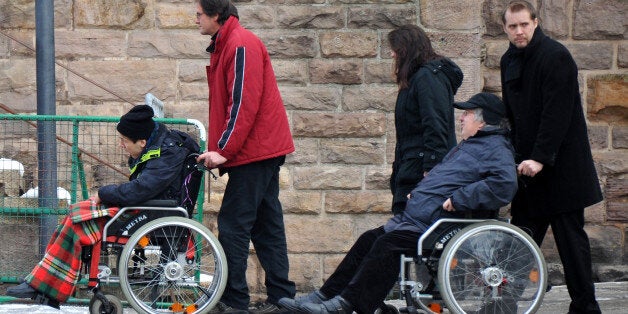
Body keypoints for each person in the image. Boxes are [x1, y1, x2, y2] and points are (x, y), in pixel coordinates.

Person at [278, 93, 518, 314]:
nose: (461, 118)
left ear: (483, 121)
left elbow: (504, 185)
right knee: (369, 239)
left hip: (442, 225)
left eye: (467, 113)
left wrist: (459, 199)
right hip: (422, 218)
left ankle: (345, 304)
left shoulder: (495, 148)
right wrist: (421, 193)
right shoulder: (472, 145)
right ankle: (324, 296)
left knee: (388, 245)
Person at [5, 105, 198, 308]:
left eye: (124, 140)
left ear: (142, 141)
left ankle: (46, 286)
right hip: (146, 206)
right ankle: (42, 283)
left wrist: (104, 193)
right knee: (76, 213)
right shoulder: (159, 145)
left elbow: (141, 189)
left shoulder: (168, 153)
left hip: (152, 212)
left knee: (78, 221)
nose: (121, 145)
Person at [500, 1, 603, 313]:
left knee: (571, 244)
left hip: (561, 171)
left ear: (535, 22)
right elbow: (514, 116)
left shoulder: (555, 56)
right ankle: (503, 305)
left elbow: (556, 114)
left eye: (524, 25)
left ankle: (586, 307)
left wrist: (540, 158)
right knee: (517, 242)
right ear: (505, 28)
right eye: (512, 26)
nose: (518, 31)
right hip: (529, 172)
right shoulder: (508, 60)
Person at [194, 1, 296, 313]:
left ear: (215, 15)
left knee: (234, 225)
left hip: (255, 151)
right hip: (259, 150)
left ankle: (233, 300)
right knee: (267, 226)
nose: (195, 19)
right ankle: (282, 299)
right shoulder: (231, 44)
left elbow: (242, 104)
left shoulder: (239, 45)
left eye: (198, 14)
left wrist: (223, 151)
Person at [387, 24, 464, 215]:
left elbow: (435, 124)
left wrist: (431, 169)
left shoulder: (427, 78)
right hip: (411, 167)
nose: (392, 55)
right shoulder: (416, 79)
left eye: (396, 50)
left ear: (407, 50)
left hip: (421, 171)